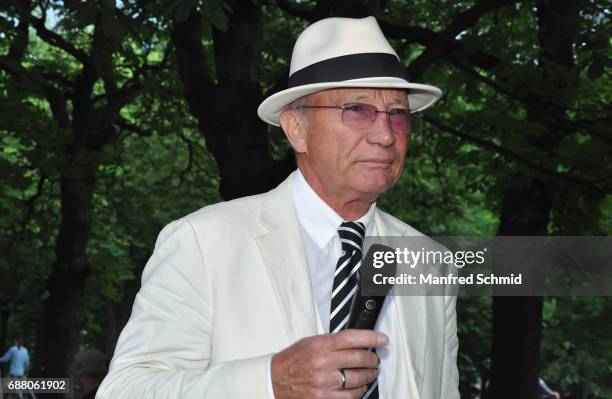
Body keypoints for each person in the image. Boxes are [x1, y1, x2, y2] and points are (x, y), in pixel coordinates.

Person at [97, 16, 458, 398]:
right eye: (356, 109)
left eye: (398, 114)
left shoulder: (431, 262)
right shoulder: (203, 243)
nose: (386, 135)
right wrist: (272, 381)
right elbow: (125, 390)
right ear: (296, 129)